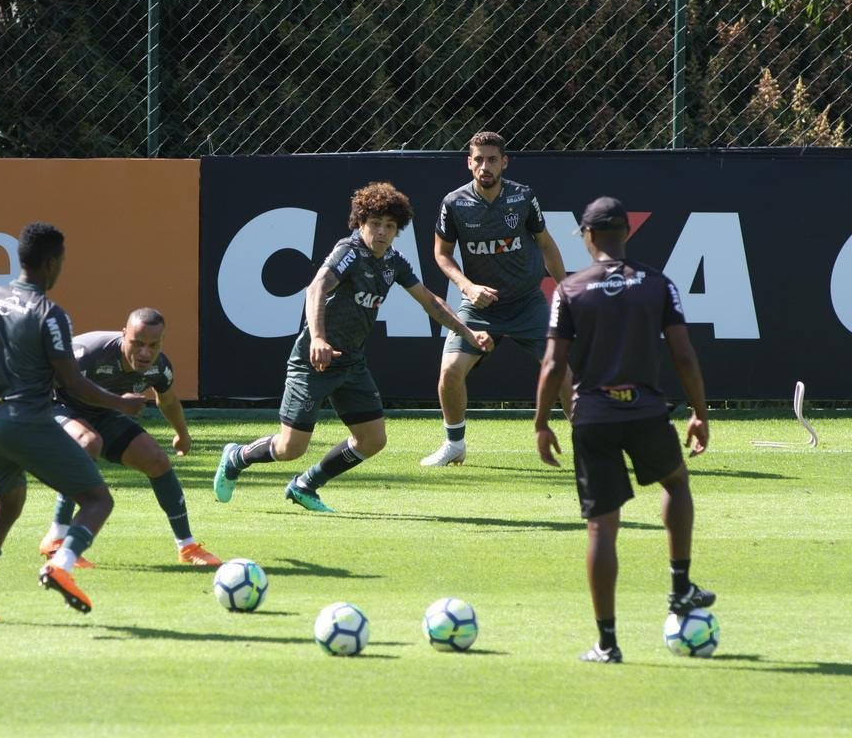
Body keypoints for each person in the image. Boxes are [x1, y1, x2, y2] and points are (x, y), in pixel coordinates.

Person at [213, 181, 493, 513]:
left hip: (351, 363)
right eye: (375, 223)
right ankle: (236, 456)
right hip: (313, 361)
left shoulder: (393, 261)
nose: (383, 231)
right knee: (290, 448)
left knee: (373, 440)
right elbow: (316, 289)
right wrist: (317, 338)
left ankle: (306, 485)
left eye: (390, 226)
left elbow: (430, 302)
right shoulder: (350, 252)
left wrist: (467, 332)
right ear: (360, 223)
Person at [533, 196, 715, 663]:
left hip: (592, 416)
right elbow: (684, 354)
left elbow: (554, 365)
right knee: (675, 481)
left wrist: (541, 423)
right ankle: (679, 587)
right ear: (626, 234)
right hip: (646, 412)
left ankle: (608, 643)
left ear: (588, 236)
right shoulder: (658, 285)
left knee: (602, 527)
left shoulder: (570, 290)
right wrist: (699, 411)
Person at [0, 222, 145, 622]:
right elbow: (73, 382)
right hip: (29, 423)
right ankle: (62, 564)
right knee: (98, 500)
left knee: (8, 505)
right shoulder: (51, 315)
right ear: (51, 263)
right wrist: (119, 404)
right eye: (62, 262)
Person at [421, 131, 570, 467]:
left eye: (491, 159)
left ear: (504, 162)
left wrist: (565, 288)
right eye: (478, 159)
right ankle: (454, 444)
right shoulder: (453, 203)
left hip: (527, 303)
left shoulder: (522, 197)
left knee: (561, 369)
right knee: (449, 371)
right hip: (479, 306)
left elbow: (545, 244)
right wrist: (467, 286)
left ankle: (591, 446)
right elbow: (441, 254)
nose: (484, 166)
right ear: (468, 162)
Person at [37, 308, 223, 567]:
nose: (145, 353)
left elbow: (167, 400)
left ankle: (187, 546)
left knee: (156, 460)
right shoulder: (90, 353)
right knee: (87, 442)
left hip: (103, 413)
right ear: (124, 335)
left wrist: (182, 434)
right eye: (137, 343)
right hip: (56, 407)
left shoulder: (159, 366)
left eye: (153, 345)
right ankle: (56, 538)